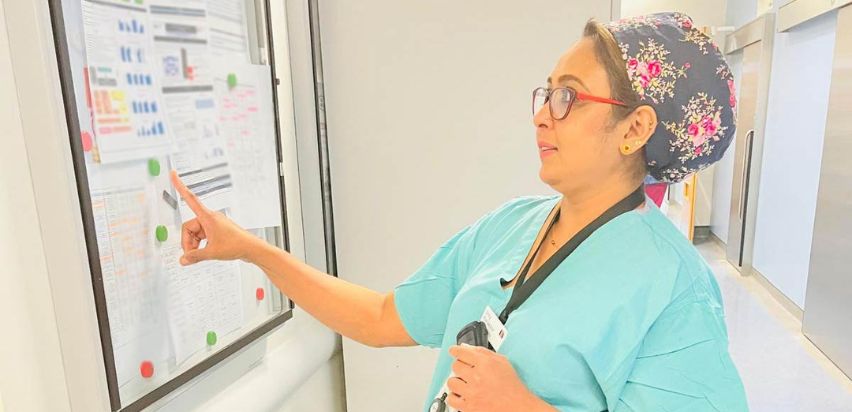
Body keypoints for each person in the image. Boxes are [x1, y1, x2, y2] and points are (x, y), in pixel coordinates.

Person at [171, 12, 748, 412]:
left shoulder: (675, 289)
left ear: (636, 129)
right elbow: (377, 318)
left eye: (569, 96)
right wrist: (251, 249)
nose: (542, 114)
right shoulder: (512, 225)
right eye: (545, 93)